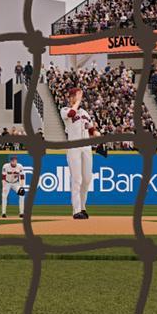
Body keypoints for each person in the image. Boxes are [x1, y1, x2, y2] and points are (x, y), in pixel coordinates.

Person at [61, 88, 95, 220]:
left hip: (86, 147)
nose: (77, 97)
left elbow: (91, 129)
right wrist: (78, 101)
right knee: (77, 179)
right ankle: (76, 210)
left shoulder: (85, 112)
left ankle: (83, 207)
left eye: (78, 95)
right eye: (75, 95)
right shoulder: (64, 110)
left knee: (87, 179)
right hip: (74, 147)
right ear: (70, 98)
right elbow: (71, 114)